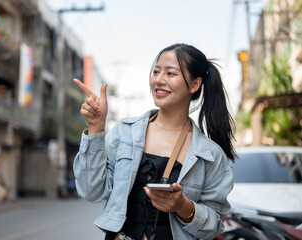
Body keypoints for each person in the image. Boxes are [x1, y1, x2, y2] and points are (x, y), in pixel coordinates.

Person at [73, 43, 235, 240]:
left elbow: (216, 224)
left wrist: (182, 206)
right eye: (156, 71)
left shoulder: (209, 154)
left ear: (194, 84)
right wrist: (96, 127)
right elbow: (91, 191)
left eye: (171, 73)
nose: (158, 80)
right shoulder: (125, 133)